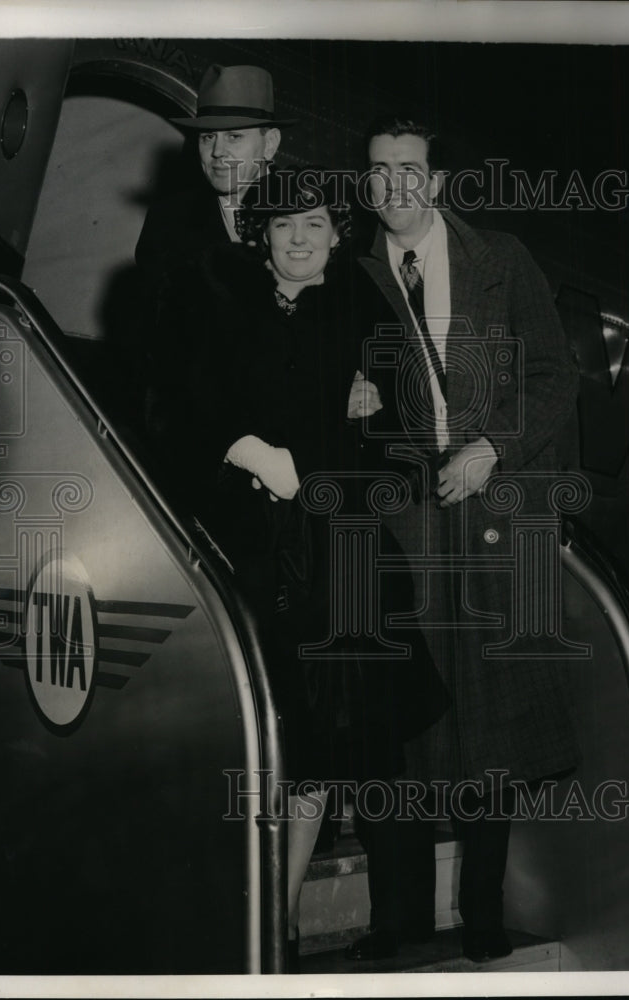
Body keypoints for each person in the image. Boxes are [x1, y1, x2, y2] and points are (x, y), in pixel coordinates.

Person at [162, 166, 448, 970]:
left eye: (315, 225)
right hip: (242, 547)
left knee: (326, 740)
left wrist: (377, 407)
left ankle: (280, 919)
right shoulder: (215, 298)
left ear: (336, 235)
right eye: (283, 225)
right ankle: (242, 912)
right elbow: (181, 405)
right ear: (260, 235)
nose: (299, 238)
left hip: (338, 549)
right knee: (254, 727)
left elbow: (412, 426)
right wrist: (248, 452)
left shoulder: (363, 307)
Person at [348, 116, 581, 964]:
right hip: (407, 519)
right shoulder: (352, 272)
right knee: (403, 721)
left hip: (491, 515)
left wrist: (496, 449)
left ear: (437, 183)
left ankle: (481, 916)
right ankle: (399, 918)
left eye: (408, 170)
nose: (391, 187)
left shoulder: (501, 260)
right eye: (377, 172)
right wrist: (356, 409)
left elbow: (555, 378)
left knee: (495, 728)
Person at [134, 63, 295, 458]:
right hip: (206, 450)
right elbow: (164, 361)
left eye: (234, 137)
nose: (218, 152)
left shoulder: (312, 213)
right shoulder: (168, 226)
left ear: (269, 144)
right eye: (208, 138)